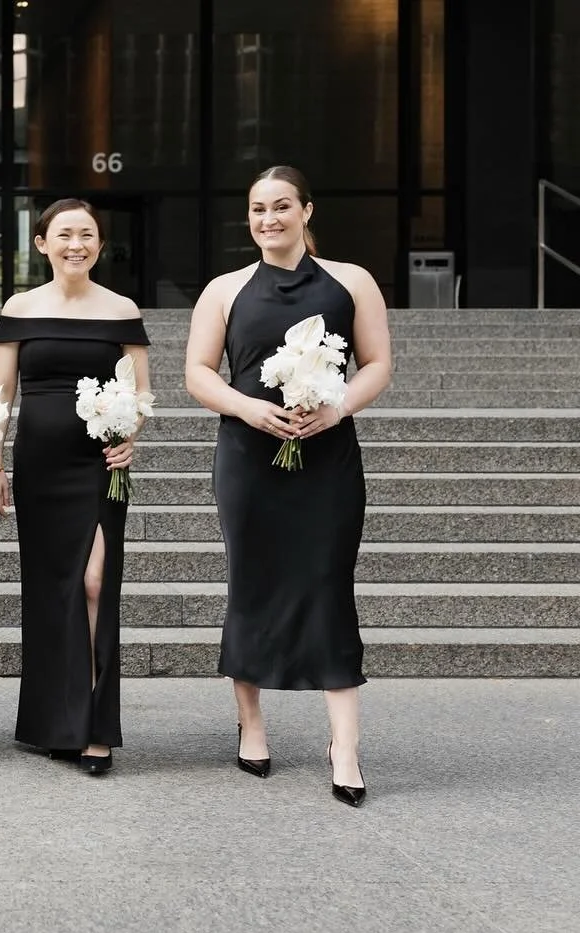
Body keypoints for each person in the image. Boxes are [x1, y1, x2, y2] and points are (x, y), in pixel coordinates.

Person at [184, 165, 392, 807]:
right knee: (251, 582)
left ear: (306, 210)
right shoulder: (225, 288)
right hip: (248, 457)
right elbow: (197, 372)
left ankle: (346, 745)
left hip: (327, 459)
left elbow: (378, 363)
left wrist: (335, 410)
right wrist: (249, 409)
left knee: (329, 586)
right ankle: (250, 722)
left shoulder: (352, 281)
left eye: (280, 206)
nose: (268, 219)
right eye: (256, 209)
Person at [0, 199, 150, 775]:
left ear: (99, 246)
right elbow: (0, 394)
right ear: (41, 244)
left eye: (87, 235)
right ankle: (60, 722)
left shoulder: (122, 308)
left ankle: (95, 723)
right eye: (64, 234)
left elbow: (141, 394)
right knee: (53, 591)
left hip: (100, 465)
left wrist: (131, 433)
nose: (76, 244)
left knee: (96, 581)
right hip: (40, 464)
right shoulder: (20, 307)